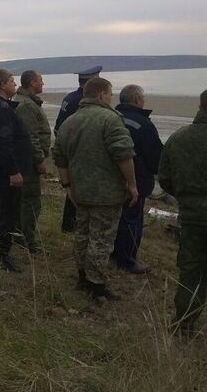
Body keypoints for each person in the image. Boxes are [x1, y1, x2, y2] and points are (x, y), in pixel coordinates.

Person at [52, 77, 137, 300]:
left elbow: (59, 157)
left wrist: (67, 185)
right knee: (101, 238)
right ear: (101, 95)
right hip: (106, 193)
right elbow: (123, 154)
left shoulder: (70, 121)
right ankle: (96, 284)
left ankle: (83, 276)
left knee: (83, 234)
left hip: (80, 191)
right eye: (110, 94)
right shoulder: (110, 119)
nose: (111, 98)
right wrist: (132, 184)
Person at [159, 89, 207, 334]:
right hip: (192, 214)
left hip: (191, 216)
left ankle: (184, 324)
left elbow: (165, 178)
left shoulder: (179, 138)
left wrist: (187, 197)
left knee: (191, 272)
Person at [0, 69, 32, 272]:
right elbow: (3, 143)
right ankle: (0, 255)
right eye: (11, 81)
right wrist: (13, 171)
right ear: (2, 85)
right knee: (4, 212)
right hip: (3, 175)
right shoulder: (0, 108)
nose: (15, 84)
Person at [111, 85, 163, 273]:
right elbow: (155, 157)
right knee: (131, 221)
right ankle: (127, 260)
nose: (143, 101)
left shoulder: (112, 118)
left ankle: (114, 252)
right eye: (142, 98)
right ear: (136, 99)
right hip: (136, 180)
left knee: (114, 218)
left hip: (110, 178)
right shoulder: (143, 124)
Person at [54, 66, 103, 233]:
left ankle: (69, 224)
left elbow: (59, 128)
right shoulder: (82, 101)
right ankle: (74, 224)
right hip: (79, 152)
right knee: (80, 190)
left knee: (73, 189)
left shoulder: (70, 97)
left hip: (69, 149)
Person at [13, 70, 51, 254]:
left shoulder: (28, 102)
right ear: (32, 83)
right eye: (40, 80)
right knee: (30, 202)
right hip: (28, 162)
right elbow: (30, 137)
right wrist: (39, 159)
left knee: (25, 201)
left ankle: (21, 235)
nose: (43, 83)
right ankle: (27, 240)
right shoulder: (27, 105)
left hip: (26, 161)